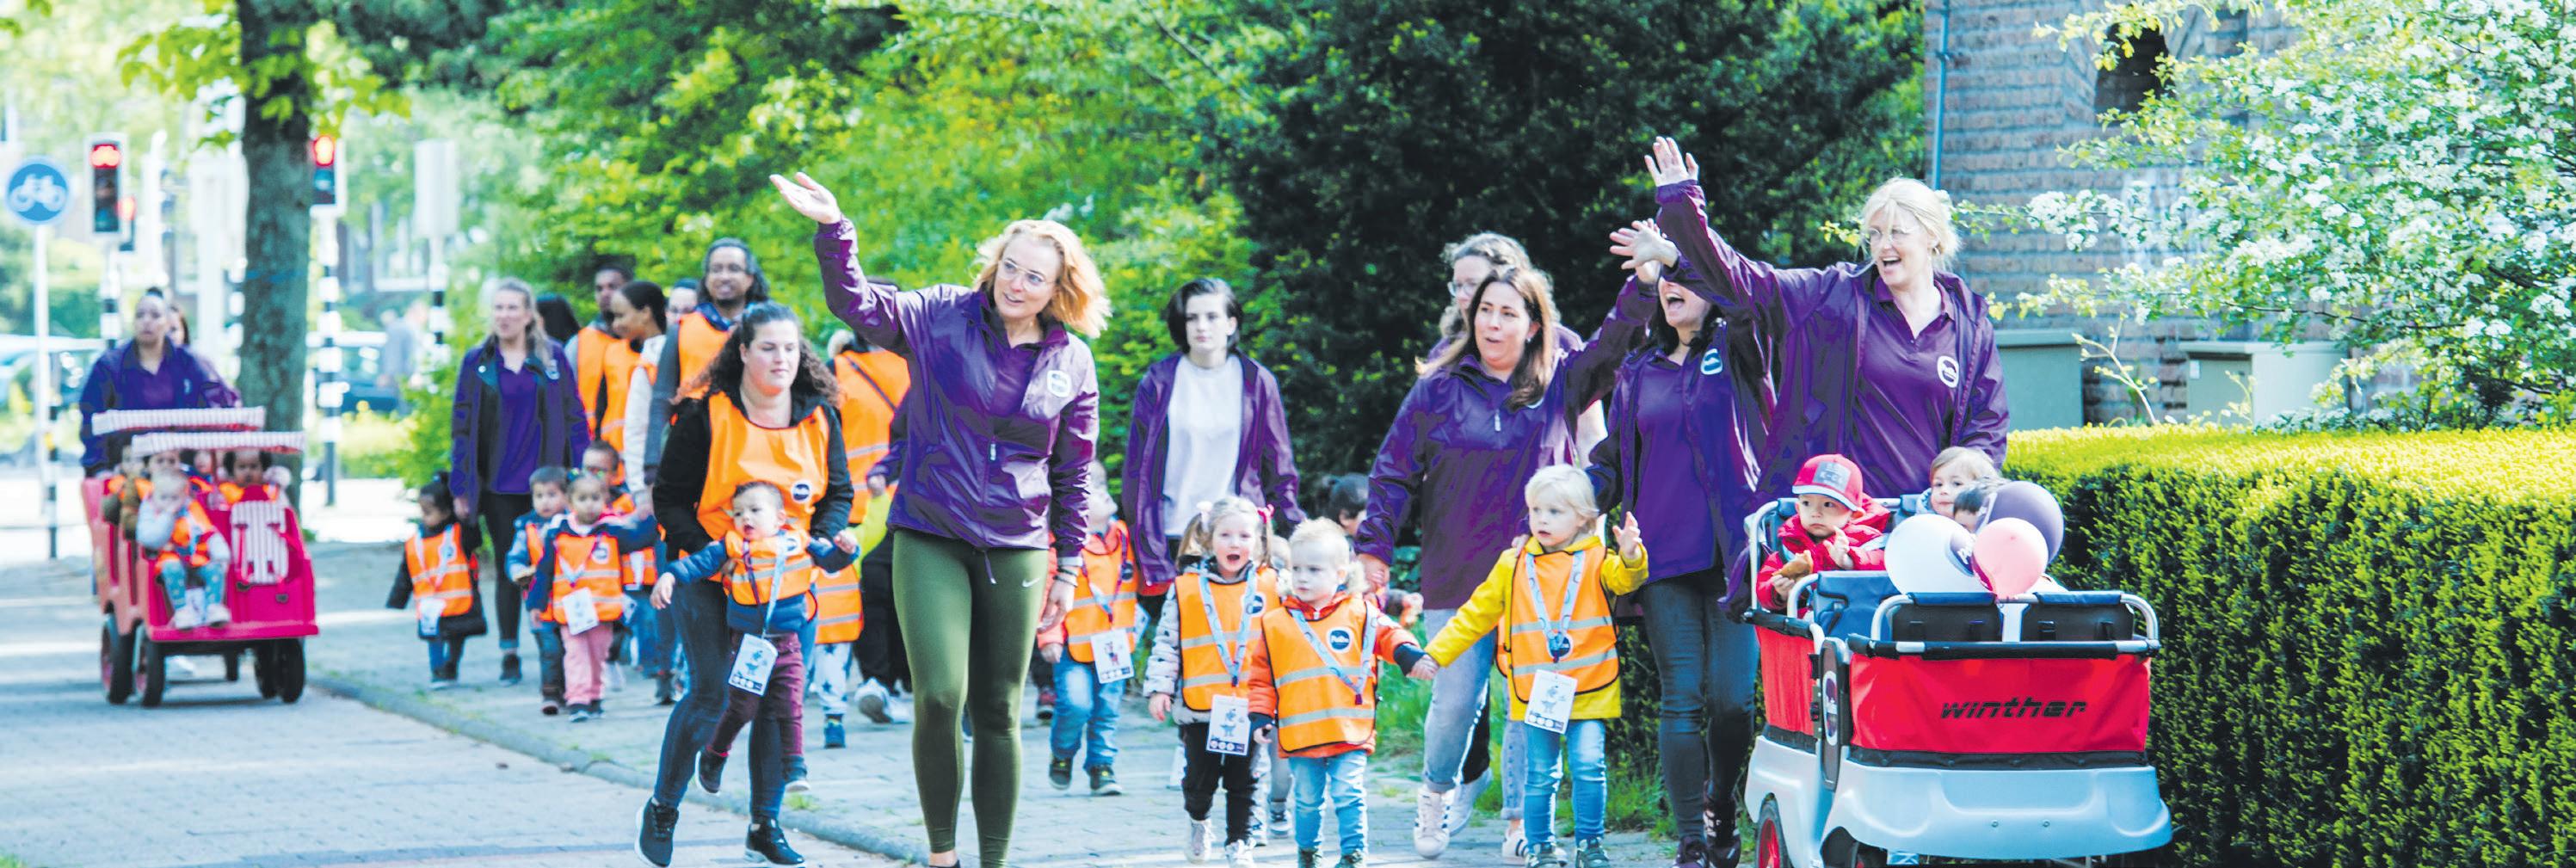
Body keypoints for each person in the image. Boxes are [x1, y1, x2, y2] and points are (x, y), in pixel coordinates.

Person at [779, 170, 1105, 868]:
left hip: (1018, 543)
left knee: (1000, 708)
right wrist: (835, 231)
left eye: (1035, 277)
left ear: (1058, 289)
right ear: (995, 264)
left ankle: (993, 860)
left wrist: (1070, 567)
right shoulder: (939, 315)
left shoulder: (1072, 362)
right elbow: (857, 304)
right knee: (939, 695)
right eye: (1010, 267)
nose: (1017, 284)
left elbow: (1073, 474)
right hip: (931, 528)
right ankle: (942, 854)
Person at [1352, 262, 1642, 859]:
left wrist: (1643, 281)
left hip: (1540, 579)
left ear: (1534, 325)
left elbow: (1614, 345)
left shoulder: (1562, 382)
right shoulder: (1438, 388)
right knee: (1455, 701)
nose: (1493, 322)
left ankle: (1518, 823)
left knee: (1523, 706)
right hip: (1457, 570)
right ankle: (1435, 794)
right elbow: (1392, 472)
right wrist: (1374, 548)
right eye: (1486, 309)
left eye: (1509, 312)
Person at [1644, 136, 2010, 498]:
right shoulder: (1830, 297)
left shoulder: (1970, 326)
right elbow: (1747, 283)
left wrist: (1962, 494)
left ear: (1932, 237)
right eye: (1875, 234)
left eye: (1897, 233)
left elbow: (1986, 429)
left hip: (1925, 522)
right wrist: (1683, 210)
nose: (1883, 245)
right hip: (1834, 526)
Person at [633, 301, 854, 868]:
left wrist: (821, 539)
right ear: (743, 351)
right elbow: (669, 499)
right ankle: (663, 805)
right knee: (713, 693)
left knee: (779, 699)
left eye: (790, 348)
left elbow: (838, 495)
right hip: (713, 570)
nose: (781, 358)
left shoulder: (819, 416)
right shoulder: (707, 413)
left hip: (786, 584)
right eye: (768, 348)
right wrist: (714, 557)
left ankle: (764, 824)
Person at [1592, 216, 1766, 868]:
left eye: (1682, 271)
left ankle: (1721, 801)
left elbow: (1746, 301)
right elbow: (1613, 459)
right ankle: (1692, 837)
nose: (1671, 284)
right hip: (1662, 557)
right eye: (1662, 276)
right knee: (1682, 697)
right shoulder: (1638, 371)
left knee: (1732, 701)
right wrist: (1574, 495)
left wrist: (1682, 250)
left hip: (1733, 558)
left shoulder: (1741, 350)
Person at [1421, 465, 1646, 868]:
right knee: (1540, 773)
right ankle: (1540, 847)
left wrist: (1630, 554)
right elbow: (1475, 614)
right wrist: (1436, 654)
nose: (1542, 519)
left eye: (1555, 512)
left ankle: (1591, 846)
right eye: (1536, 510)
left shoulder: (1597, 558)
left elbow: (1625, 580)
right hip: (1537, 693)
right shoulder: (1513, 564)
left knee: (1590, 766)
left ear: (1583, 517)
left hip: (1590, 687)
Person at [1122, 277, 1305, 662]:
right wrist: (1148, 551)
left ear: (1231, 323)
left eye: (1211, 316)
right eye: (1192, 318)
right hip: (1175, 538)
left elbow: (1279, 465)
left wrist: (1296, 530)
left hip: (1240, 536)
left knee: (1244, 653)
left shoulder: (1257, 381)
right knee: (1186, 657)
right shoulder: (1159, 381)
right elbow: (1137, 475)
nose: (1201, 326)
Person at [662, 481, 860, 820]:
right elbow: (699, 564)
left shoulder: (798, 541)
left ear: (780, 517)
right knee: (741, 708)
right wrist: (672, 576)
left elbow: (831, 561)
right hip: (749, 645)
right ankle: (714, 755)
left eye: (755, 510)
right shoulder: (733, 545)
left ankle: (795, 766)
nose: (745, 518)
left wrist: (847, 549)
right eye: (738, 513)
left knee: (791, 703)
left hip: (788, 643)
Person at [1244, 519, 1433, 868]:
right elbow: (1261, 677)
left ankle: (1353, 854)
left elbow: (1390, 635)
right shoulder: (1275, 622)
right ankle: (1308, 853)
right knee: (1306, 800)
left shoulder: (1360, 612)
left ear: (1341, 573)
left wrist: (1408, 655)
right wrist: (1260, 714)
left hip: (1349, 729)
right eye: (1297, 569)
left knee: (1349, 793)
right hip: (1301, 734)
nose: (1302, 578)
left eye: (1314, 570)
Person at [451, 278, 590, 686]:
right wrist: (461, 486)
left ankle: (559, 648)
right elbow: (462, 427)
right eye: (499, 308)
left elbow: (574, 415)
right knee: (509, 568)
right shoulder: (478, 361)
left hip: (548, 483)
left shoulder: (552, 358)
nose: (505, 316)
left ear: (529, 315)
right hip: (497, 484)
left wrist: (582, 472)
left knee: (558, 562)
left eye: (513, 308)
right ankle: (509, 652)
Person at [1141, 497, 1277, 868]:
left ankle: (1240, 842)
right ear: (1208, 538)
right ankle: (1199, 821)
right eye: (1226, 535)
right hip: (1201, 705)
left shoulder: (1272, 586)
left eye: (1244, 536)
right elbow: (1167, 641)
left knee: (1245, 778)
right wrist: (1160, 688)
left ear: (1259, 540)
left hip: (1252, 704)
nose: (1235, 543)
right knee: (1199, 781)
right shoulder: (1187, 587)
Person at [823, 326, 911, 723]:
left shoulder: (916, 361)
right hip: (860, 504)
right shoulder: (837, 370)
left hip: (917, 500)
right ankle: (878, 681)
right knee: (872, 593)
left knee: (908, 593)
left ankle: (902, 680)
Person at [522, 472, 659, 723]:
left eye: (595, 498)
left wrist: (654, 514)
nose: (589, 504)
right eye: (583, 499)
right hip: (571, 612)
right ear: (570, 503)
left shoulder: (612, 531)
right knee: (575, 655)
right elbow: (544, 571)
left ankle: (594, 697)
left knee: (598, 656)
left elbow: (641, 540)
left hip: (603, 612)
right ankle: (577, 700)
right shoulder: (558, 534)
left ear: (604, 501)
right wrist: (536, 604)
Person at [1037, 460, 1136, 796]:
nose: (1103, 492)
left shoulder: (1125, 538)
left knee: (1107, 710)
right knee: (1076, 706)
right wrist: (1049, 637)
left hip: (1115, 646)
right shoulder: (1060, 547)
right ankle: (1062, 753)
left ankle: (1101, 766)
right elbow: (1046, 593)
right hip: (1074, 648)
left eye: (1104, 485)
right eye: (1094, 488)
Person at [644, 240, 773, 479]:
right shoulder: (682, 329)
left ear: (750, 278)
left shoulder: (771, 326)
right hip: (694, 447)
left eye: (733, 269)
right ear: (706, 279)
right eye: (716, 269)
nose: (724, 276)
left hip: (758, 445)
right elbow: (662, 398)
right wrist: (652, 465)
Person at [77, 289, 239, 476]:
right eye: (140, 315)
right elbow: (91, 418)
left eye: (155, 315)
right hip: (126, 470)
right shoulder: (108, 365)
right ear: (133, 322)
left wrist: (209, 452)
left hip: (184, 469)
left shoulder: (192, 362)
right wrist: (99, 469)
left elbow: (219, 403)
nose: (147, 321)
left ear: (167, 323)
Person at [389, 471, 486, 688]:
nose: (423, 517)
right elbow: (406, 572)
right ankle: (438, 670)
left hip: (458, 602)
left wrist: (463, 511)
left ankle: (451, 665)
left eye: (428, 512)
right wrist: (397, 600)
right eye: (422, 512)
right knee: (434, 638)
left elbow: (475, 538)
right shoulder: (415, 542)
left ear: (445, 512)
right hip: (430, 605)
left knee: (457, 636)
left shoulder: (459, 534)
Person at [1758, 454, 1889, 611]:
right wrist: (1778, 593)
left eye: (1828, 504)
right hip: (1806, 623)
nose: (1815, 512)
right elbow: (1763, 587)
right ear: (1798, 508)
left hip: (1858, 619)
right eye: (1807, 503)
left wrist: (1849, 561)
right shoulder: (1790, 548)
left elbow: (1888, 569)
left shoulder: (1869, 543)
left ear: (1854, 514)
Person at [583, 440, 657, 696]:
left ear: (615, 474)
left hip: (631, 578)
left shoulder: (628, 502)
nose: (590, 476)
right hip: (592, 583)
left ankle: (652, 669)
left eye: (598, 471)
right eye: (586, 469)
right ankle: (603, 664)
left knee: (642, 619)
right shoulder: (577, 505)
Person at [506, 467, 575, 712]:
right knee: (549, 649)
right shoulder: (526, 527)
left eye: (552, 495)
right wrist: (518, 572)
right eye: (539, 496)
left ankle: (572, 691)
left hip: (569, 601)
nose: (545, 501)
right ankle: (550, 694)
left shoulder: (574, 523)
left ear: (566, 496)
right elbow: (515, 557)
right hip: (539, 602)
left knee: (571, 649)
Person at [138, 467, 234, 630]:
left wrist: (221, 555)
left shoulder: (192, 510)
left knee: (215, 569)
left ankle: (213, 608)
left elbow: (209, 532)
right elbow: (151, 539)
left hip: (195, 560)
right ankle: (182, 611)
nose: (169, 502)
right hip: (169, 561)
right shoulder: (151, 511)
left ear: (184, 496)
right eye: (163, 497)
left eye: (175, 497)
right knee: (173, 569)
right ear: (155, 495)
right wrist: (168, 516)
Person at [609, 280, 670, 509]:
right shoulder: (636, 355)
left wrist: (638, 487)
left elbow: (637, 427)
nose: (616, 324)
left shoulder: (653, 359)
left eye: (621, 315)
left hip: (654, 475)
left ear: (645, 313)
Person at [573, 268, 644, 449]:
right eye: (599, 289)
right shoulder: (580, 342)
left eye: (612, 287)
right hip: (592, 444)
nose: (605, 294)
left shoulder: (648, 339)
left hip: (641, 441)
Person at [1926, 445, 2003, 519]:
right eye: (1939, 484)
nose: (1944, 490)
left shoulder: (1992, 524)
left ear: (1981, 490)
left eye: (1957, 484)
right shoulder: (1921, 520)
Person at [219, 448, 290, 504]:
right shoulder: (224, 492)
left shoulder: (271, 491)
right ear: (232, 470)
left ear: (263, 469)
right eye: (242, 467)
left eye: (253, 466)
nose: (248, 472)